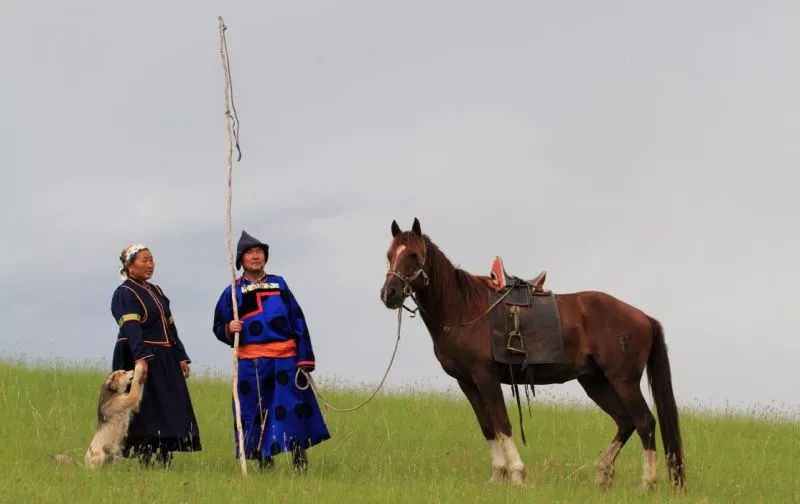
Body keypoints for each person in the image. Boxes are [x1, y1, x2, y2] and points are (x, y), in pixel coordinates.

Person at [213, 231, 329, 470]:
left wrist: (304, 358)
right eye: (250, 253)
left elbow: (298, 319)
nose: (256, 257)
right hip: (252, 363)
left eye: (259, 252)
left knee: (292, 408)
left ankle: (299, 459)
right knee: (257, 412)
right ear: (241, 259)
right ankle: (264, 461)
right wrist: (229, 328)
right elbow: (218, 326)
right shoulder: (232, 292)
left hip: (286, 359)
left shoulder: (280, 284)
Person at [111, 244, 202, 467]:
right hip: (140, 355)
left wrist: (181, 356)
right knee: (147, 408)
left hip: (166, 356)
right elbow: (131, 328)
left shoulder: (157, 291)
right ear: (129, 265)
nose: (150, 264)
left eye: (151, 259)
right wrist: (140, 359)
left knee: (168, 407)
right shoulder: (125, 293)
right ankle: (146, 459)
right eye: (144, 260)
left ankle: (164, 457)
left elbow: (171, 328)